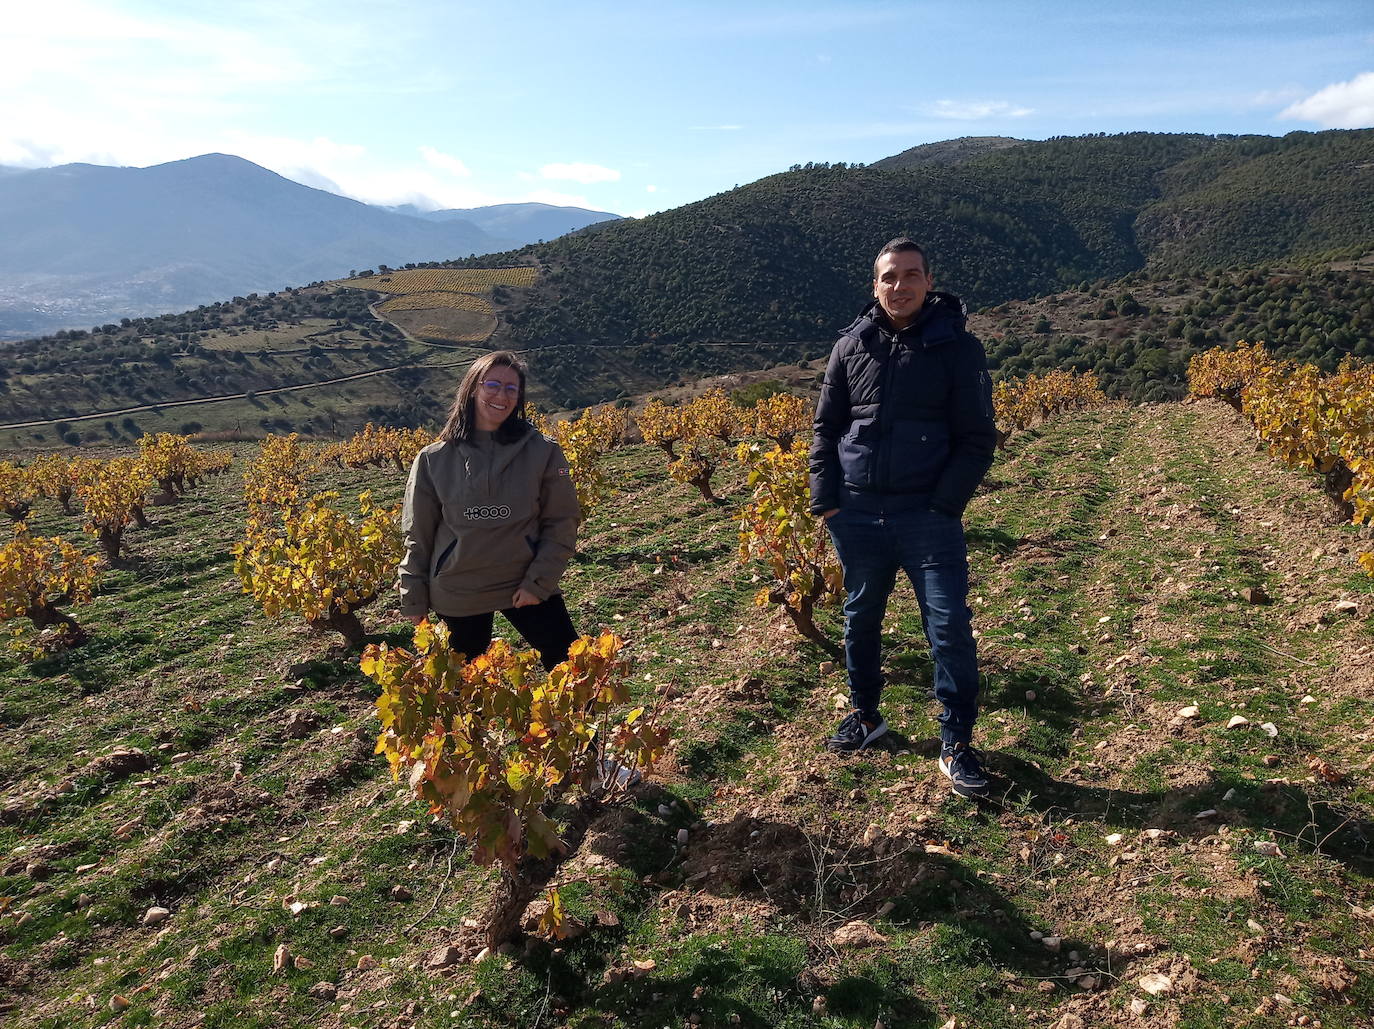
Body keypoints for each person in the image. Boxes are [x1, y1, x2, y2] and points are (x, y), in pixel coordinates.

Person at [808, 238, 997, 798]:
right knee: (860, 618)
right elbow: (826, 427)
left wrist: (944, 505)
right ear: (875, 285)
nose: (900, 285)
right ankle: (866, 714)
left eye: (911, 275)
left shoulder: (959, 349)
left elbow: (977, 437)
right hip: (859, 513)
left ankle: (957, 740)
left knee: (948, 627)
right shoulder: (851, 345)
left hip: (927, 516)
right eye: (889, 277)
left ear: (928, 281)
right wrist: (828, 500)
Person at [399, 350, 581, 670]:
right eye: (492, 384)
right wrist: (413, 594)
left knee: (573, 668)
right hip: (458, 589)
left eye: (512, 388)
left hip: (523, 580)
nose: (502, 395)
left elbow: (561, 521)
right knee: (463, 690)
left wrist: (538, 583)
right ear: (472, 388)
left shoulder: (544, 451)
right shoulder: (433, 459)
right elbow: (419, 533)